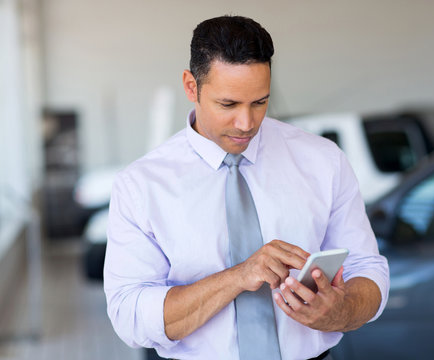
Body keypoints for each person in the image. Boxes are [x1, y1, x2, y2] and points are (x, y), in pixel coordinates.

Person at [104, 15, 389, 360]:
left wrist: (340, 310)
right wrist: (239, 276)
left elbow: (367, 269)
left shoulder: (323, 160)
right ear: (191, 87)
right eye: (229, 104)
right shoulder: (142, 185)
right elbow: (130, 316)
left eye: (259, 102)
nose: (246, 123)